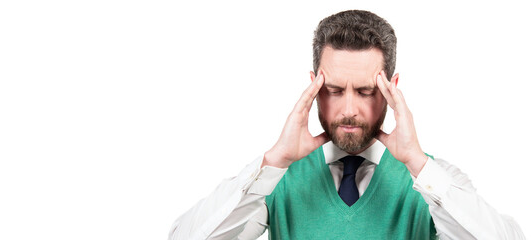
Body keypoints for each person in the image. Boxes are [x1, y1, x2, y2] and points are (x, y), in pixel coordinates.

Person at [168, 10, 525, 239]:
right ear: (314, 86)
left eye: (367, 91)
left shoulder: (432, 181)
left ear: (391, 90)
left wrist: (418, 163)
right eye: (335, 90)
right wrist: (274, 161)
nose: (349, 110)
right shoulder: (278, 181)